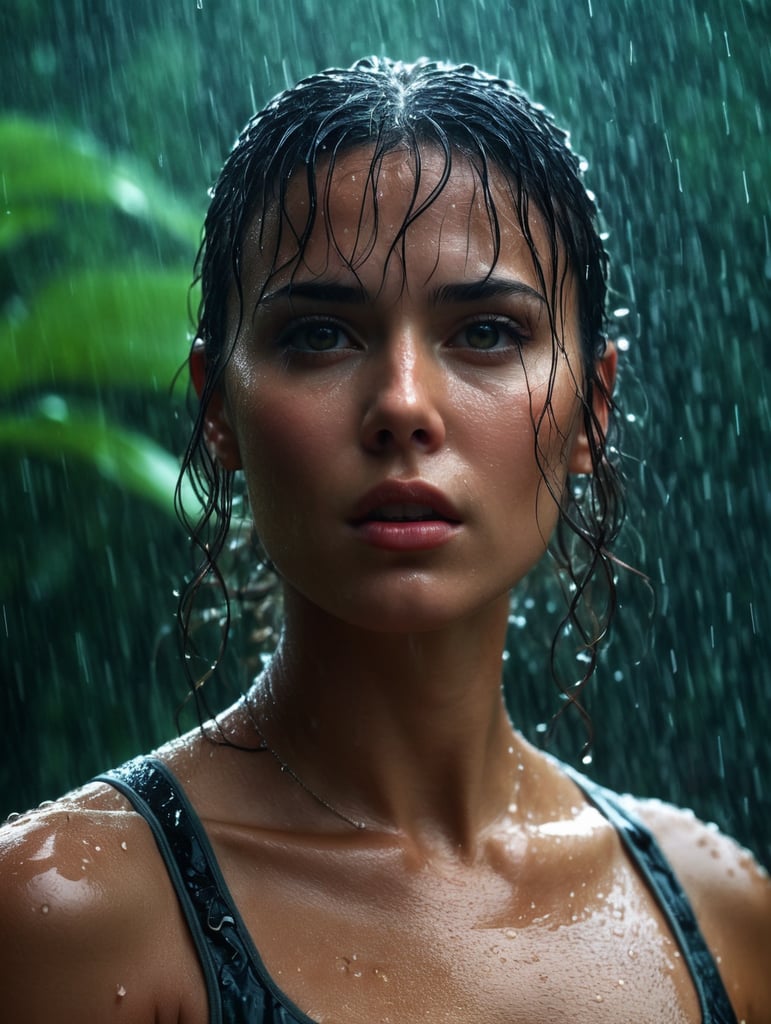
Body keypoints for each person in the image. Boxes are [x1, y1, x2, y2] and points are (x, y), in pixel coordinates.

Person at [1, 57, 768, 1024]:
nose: (403, 405)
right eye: (319, 335)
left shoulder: (721, 916)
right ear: (219, 410)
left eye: (486, 333)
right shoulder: (64, 915)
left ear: (592, 409)